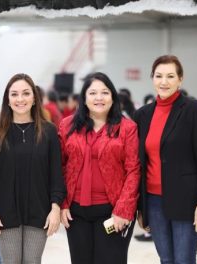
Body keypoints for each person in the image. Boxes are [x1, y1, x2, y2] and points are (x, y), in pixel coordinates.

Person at [133, 55, 197, 263]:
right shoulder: (142, 115)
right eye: (159, 76)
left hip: (186, 200)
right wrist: (140, 206)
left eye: (170, 76)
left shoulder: (194, 109)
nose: (164, 81)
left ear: (180, 79)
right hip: (153, 201)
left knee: (184, 259)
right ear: (152, 78)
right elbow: (139, 163)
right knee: (166, 260)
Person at [0, 73, 66, 264]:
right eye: (14, 94)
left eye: (26, 93)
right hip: (4, 214)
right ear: (7, 100)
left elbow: (56, 174)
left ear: (34, 98)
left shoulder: (49, 131)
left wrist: (55, 208)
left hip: (39, 212)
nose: (20, 99)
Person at [59, 72, 141, 264]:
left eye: (104, 92)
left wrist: (123, 209)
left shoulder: (127, 128)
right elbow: (59, 166)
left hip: (112, 212)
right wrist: (62, 203)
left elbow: (133, 170)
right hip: (75, 212)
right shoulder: (67, 126)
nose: (99, 98)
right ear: (84, 98)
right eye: (93, 93)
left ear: (112, 97)